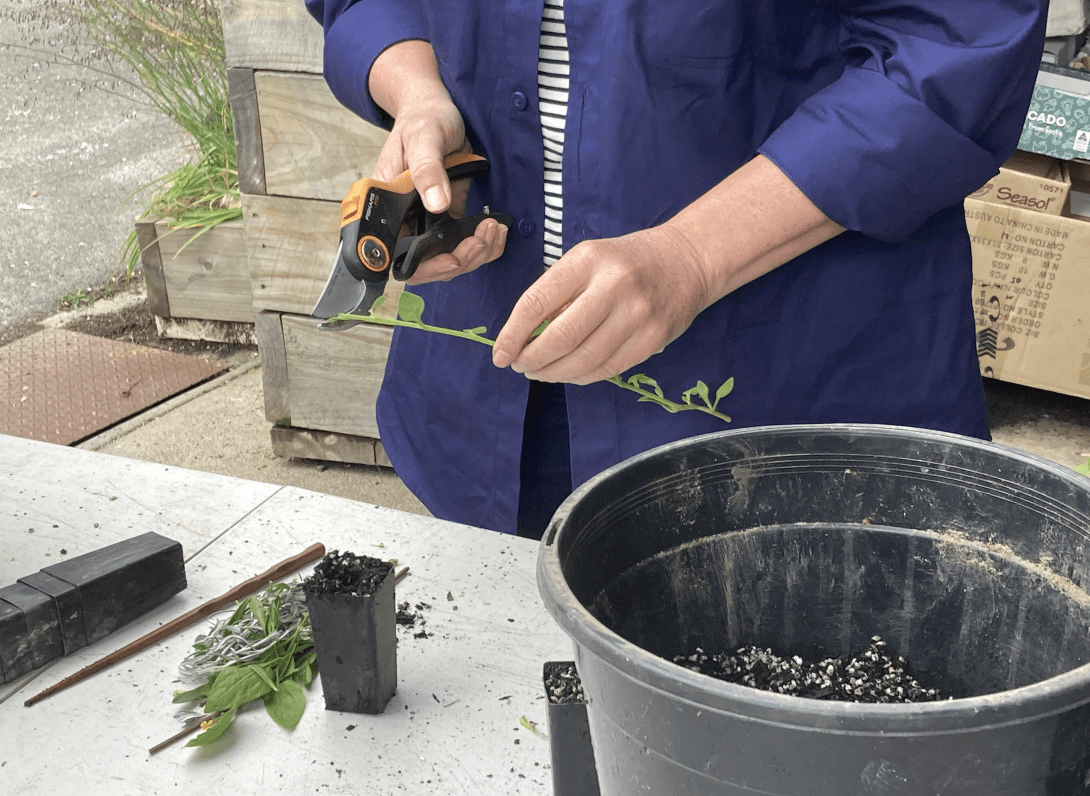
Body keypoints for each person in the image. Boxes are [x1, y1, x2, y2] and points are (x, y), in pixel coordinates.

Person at [304, 1, 1047, 537]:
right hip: (495, 397)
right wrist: (415, 91)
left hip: (787, 389)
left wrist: (692, 255)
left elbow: (954, 42)